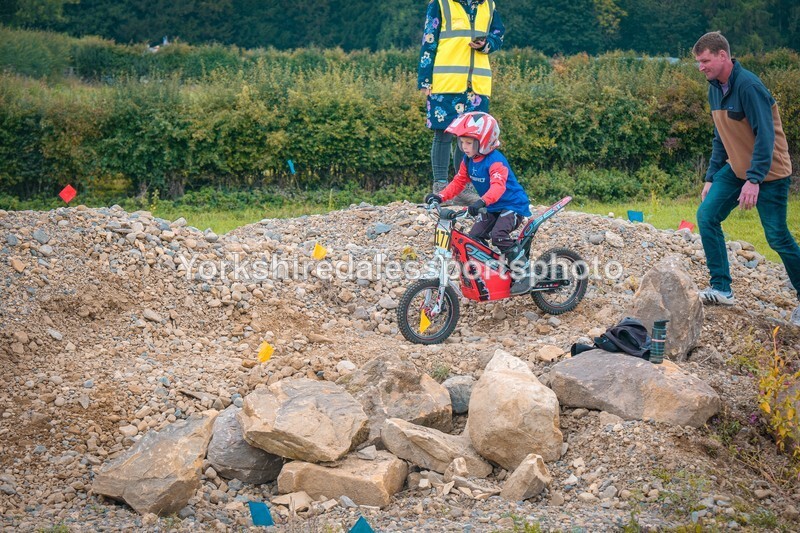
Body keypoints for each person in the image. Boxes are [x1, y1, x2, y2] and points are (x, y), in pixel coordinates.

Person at [693, 32, 800, 325]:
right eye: (698, 62)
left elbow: (765, 136)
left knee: (777, 237)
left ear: (723, 56)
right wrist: (712, 176)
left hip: (770, 173)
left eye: (705, 61)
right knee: (707, 216)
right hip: (736, 169)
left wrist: (754, 179)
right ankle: (721, 288)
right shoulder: (714, 88)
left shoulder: (749, 86)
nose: (701, 67)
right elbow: (720, 136)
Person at [424, 112, 533, 294]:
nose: (464, 147)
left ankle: (524, 273)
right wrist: (440, 197)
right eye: (462, 142)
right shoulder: (469, 160)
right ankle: (494, 271)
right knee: (474, 237)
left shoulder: (496, 161)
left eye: (469, 143)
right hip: (491, 206)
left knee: (499, 235)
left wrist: (481, 201)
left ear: (484, 141)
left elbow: (498, 187)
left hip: (512, 206)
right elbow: (458, 182)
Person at [418, 0, 505, 205]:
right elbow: (429, 41)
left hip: (476, 85)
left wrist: (487, 44)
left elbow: (499, 33)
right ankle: (440, 188)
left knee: (469, 138)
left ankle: (463, 188)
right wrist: (424, 79)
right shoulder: (440, 4)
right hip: (446, 82)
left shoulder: (488, 5)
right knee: (443, 134)